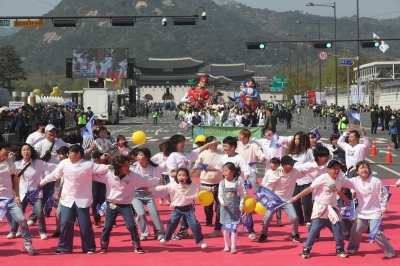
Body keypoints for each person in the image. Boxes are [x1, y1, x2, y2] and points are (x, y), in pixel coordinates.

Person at [38, 145, 110, 254]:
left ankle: (89, 247)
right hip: (67, 198)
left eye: (71, 152)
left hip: (83, 199)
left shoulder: (88, 165)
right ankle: (64, 248)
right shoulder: (64, 163)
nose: (69, 154)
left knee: (85, 224)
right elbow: (54, 175)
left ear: (78, 154)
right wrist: (42, 182)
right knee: (66, 222)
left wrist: (117, 165)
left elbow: (103, 168)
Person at [93, 155, 160, 254]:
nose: (128, 168)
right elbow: (93, 175)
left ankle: (137, 245)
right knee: (107, 226)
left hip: (125, 204)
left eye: (129, 165)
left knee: (131, 226)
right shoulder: (109, 174)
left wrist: (158, 180)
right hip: (112, 204)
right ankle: (104, 245)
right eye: (125, 166)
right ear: (118, 166)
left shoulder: (132, 175)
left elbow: (145, 179)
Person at [291, 160, 350, 259]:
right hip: (321, 207)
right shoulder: (322, 178)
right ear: (328, 169)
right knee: (314, 230)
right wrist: (296, 197)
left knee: (338, 228)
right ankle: (306, 249)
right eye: (334, 168)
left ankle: (340, 249)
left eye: (338, 169)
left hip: (332, 208)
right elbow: (310, 189)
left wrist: (346, 200)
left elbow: (338, 191)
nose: (336, 170)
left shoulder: (339, 180)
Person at [340, 161, 395, 258]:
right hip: (361, 212)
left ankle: (389, 250)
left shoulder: (375, 181)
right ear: (357, 171)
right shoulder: (354, 180)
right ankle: (353, 248)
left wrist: (383, 207)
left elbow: (383, 194)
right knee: (355, 230)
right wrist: (332, 177)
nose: (364, 170)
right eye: (361, 168)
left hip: (374, 211)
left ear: (369, 170)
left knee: (376, 232)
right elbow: (342, 182)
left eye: (366, 168)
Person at [8, 144, 57, 240]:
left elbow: (53, 167)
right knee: (18, 211)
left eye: (28, 150)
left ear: (31, 152)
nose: (26, 152)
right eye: (24, 150)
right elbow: (10, 176)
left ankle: (42, 232)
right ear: (21, 152)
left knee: (39, 211)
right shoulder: (16, 164)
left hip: (35, 192)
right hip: (22, 192)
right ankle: (13, 231)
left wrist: (66, 164)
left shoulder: (38, 163)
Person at [155, 168, 211, 248]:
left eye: (184, 175)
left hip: (188, 209)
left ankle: (200, 240)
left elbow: (201, 187)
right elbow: (162, 187)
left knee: (194, 224)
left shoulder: (191, 185)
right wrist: (151, 188)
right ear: (176, 177)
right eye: (179, 175)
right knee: (172, 223)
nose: (181, 177)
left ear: (187, 177)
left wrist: (212, 189)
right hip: (177, 209)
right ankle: (166, 238)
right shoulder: (173, 185)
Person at [0, 142, 37, 255]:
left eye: (8, 149)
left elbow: (16, 181)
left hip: (9, 199)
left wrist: (16, 195)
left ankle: (27, 244)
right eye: (5, 149)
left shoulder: (11, 164)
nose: (7, 152)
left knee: (22, 219)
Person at [193, 136, 224, 237]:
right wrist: (198, 167)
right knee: (207, 204)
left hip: (219, 182)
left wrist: (211, 168)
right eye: (212, 142)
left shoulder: (222, 153)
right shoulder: (203, 154)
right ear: (208, 144)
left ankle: (218, 226)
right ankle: (208, 220)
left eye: (215, 142)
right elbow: (197, 165)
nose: (214, 144)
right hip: (206, 182)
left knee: (220, 206)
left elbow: (224, 167)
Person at [131, 148, 165, 241]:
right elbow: (136, 181)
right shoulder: (133, 167)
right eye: (137, 154)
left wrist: (150, 187)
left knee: (154, 213)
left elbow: (156, 181)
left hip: (148, 193)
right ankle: (144, 233)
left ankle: (159, 233)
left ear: (146, 158)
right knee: (141, 214)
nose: (138, 156)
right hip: (135, 194)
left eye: (141, 155)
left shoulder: (153, 167)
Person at [219, 162, 244, 254]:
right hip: (225, 210)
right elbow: (220, 195)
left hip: (234, 209)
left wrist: (241, 204)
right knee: (225, 229)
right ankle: (226, 245)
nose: (224, 172)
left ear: (232, 171)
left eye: (226, 170)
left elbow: (241, 195)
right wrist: (222, 202)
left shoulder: (237, 183)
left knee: (233, 228)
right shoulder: (222, 183)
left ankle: (233, 246)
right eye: (223, 171)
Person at [52, 146, 70, 238]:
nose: (60, 156)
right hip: (61, 192)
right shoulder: (59, 164)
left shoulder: (72, 163)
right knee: (58, 212)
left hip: (72, 193)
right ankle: (58, 230)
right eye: (59, 154)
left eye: (62, 154)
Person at [260, 157, 283, 226]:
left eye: (273, 163)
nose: (271, 164)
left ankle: (279, 220)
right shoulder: (268, 171)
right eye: (270, 163)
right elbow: (264, 181)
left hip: (277, 192)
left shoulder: (281, 171)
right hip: (269, 192)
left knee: (278, 207)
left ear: (278, 164)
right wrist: (263, 189)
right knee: (268, 206)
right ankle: (267, 219)